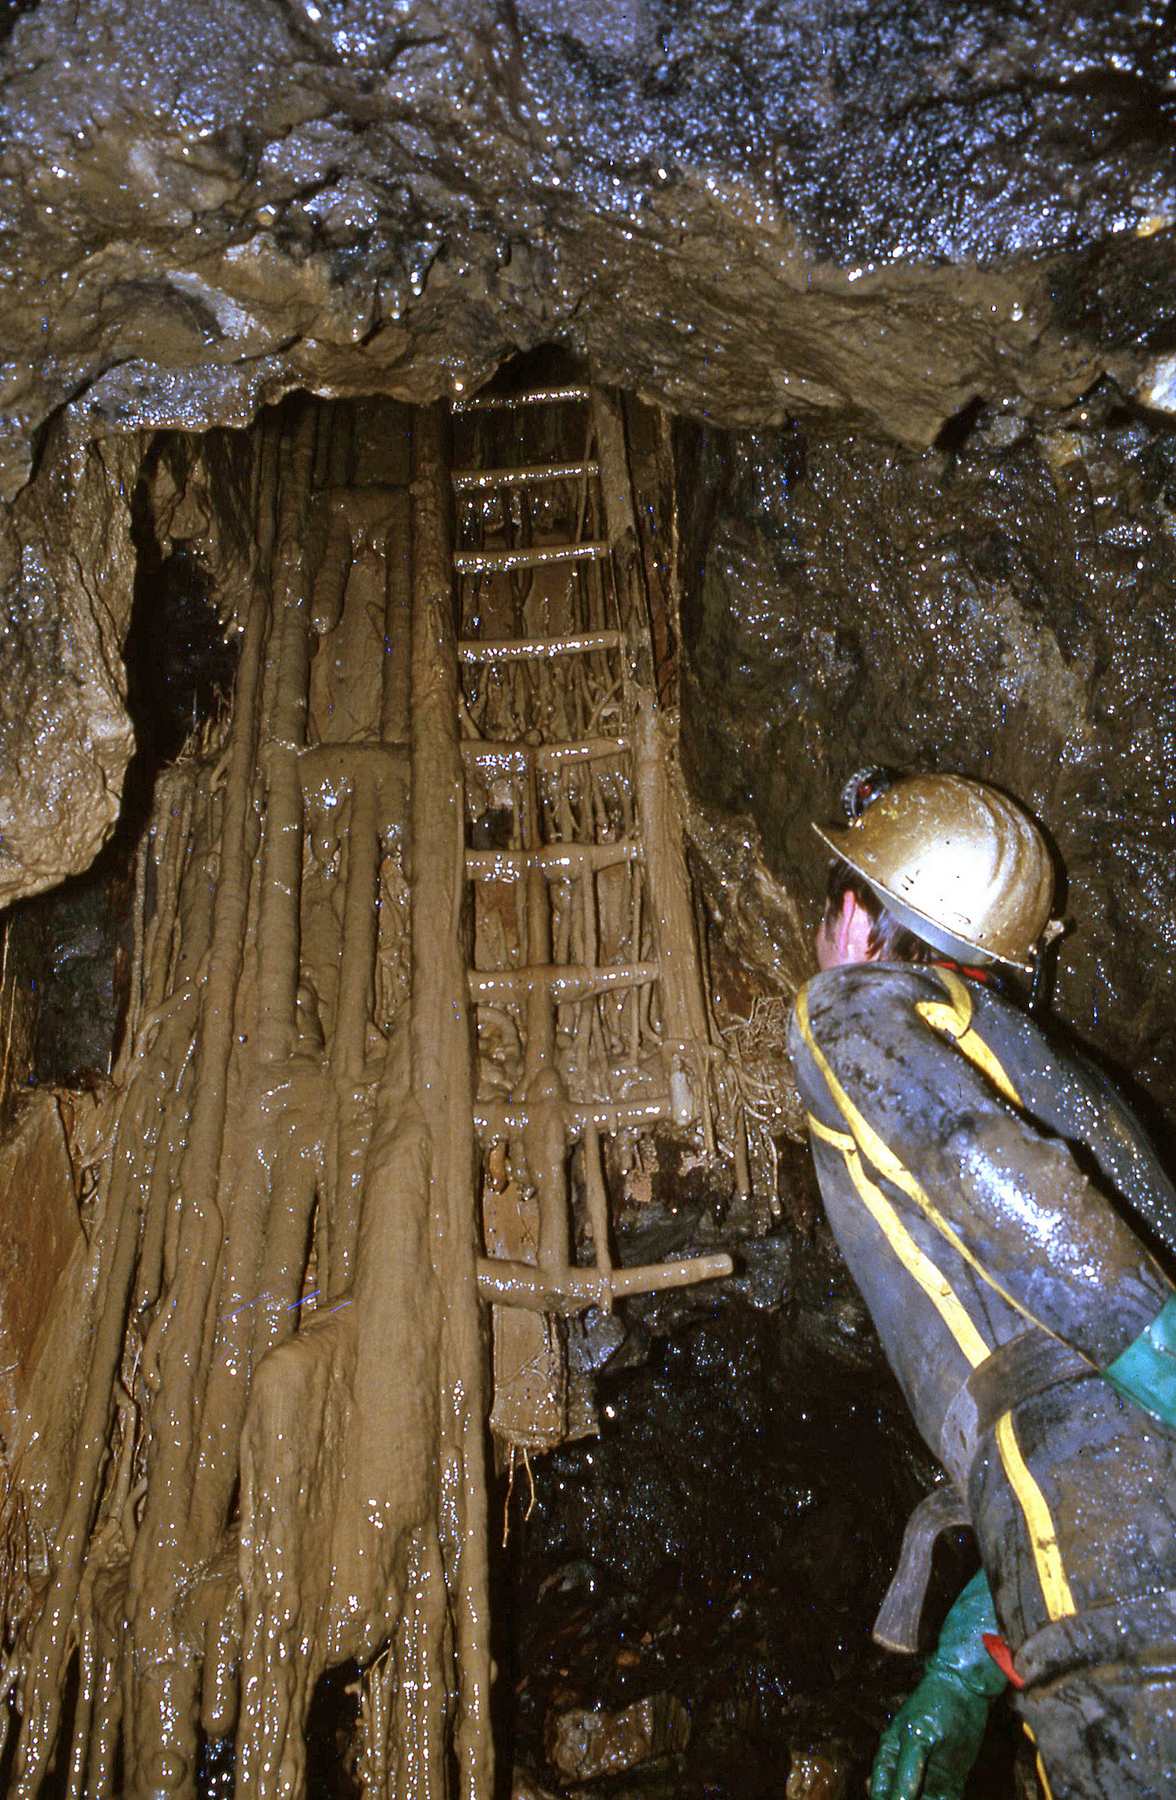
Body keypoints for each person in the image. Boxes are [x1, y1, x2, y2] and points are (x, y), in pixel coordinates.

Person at [787, 768, 1176, 1800]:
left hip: (1101, 1515)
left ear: (862, 914)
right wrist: (962, 1670)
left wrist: (1157, 1348)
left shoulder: (851, 1013)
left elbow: (994, 1187)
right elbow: (1067, 1436)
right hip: (1094, 1510)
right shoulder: (1056, 1077)